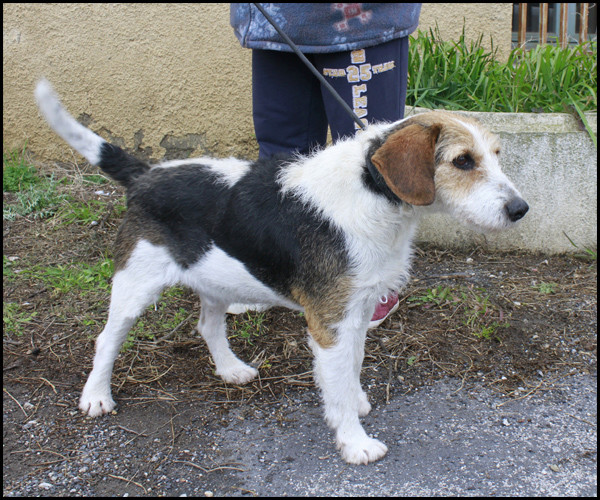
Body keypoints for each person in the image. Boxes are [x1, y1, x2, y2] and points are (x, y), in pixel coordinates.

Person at [230, 3, 422, 327]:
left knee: (371, 160)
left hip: (360, 21)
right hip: (275, 21)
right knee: (281, 156)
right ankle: (280, 271)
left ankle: (373, 282)